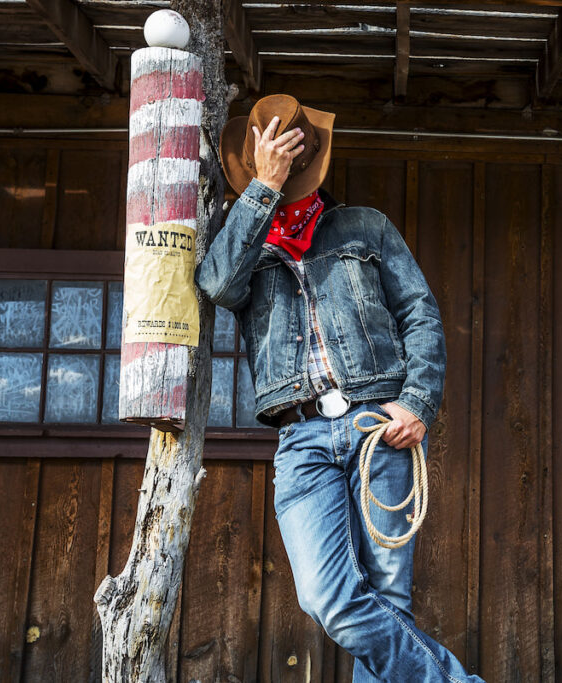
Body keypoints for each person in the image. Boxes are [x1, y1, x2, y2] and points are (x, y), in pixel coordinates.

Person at [196, 94, 483, 682]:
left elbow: (421, 316)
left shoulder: (366, 226)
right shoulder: (242, 239)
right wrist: (264, 188)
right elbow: (219, 285)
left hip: (378, 425)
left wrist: (418, 403)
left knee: (387, 597)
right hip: (300, 440)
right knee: (328, 599)